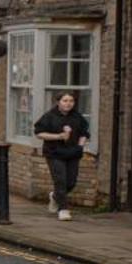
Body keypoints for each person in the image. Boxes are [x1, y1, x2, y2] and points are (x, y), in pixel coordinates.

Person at [32, 91, 90, 220]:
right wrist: (58, 136)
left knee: (71, 182)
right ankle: (63, 209)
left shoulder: (77, 116)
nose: (68, 103)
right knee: (61, 180)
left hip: (73, 153)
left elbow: (84, 133)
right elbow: (39, 133)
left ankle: (54, 196)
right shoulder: (49, 116)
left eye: (71, 101)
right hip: (54, 153)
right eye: (65, 100)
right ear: (58, 102)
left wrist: (80, 146)